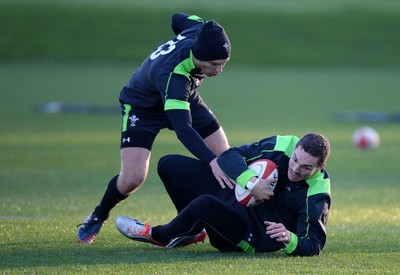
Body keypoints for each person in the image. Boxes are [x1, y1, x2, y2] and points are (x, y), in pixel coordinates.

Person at [77, 13, 234, 244]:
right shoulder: (174, 74)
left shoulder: (200, 29)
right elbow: (184, 129)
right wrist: (210, 162)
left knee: (226, 157)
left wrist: (216, 161)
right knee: (132, 178)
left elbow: (177, 18)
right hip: (143, 106)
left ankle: (199, 222)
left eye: (224, 63)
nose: (219, 70)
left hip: (183, 97)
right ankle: (99, 214)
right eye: (213, 65)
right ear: (198, 56)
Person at [115, 133, 332, 256]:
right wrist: (251, 182)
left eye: (306, 168)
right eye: (295, 159)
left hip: (249, 234)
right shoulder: (285, 145)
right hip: (234, 195)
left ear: (320, 166)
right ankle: (189, 231)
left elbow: (314, 244)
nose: (295, 169)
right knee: (169, 165)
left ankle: (157, 235)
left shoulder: (317, 192)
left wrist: (289, 238)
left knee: (205, 205)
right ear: (295, 150)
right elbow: (230, 156)